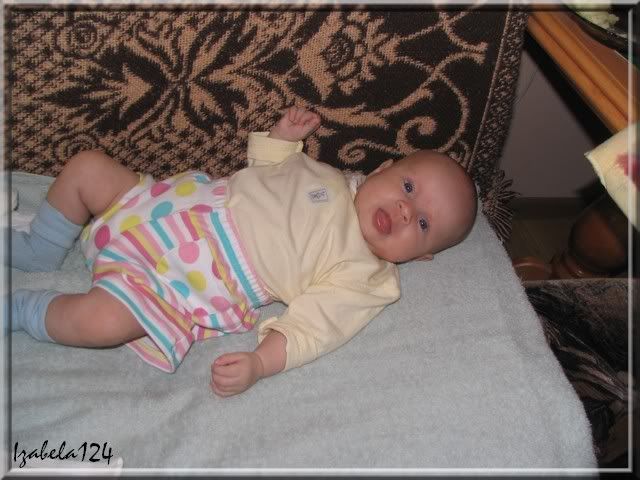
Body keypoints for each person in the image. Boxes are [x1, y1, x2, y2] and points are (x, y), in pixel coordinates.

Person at [10, 106, 477, 397]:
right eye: (408, 187)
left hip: (180, 281)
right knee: (87, 168)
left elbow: (315, 329)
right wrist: (282, 140)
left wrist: (260, 362)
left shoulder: (364, 274)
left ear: (421, 257)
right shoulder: (329, 177)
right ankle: (39, 247)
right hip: (158, 204)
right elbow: (268, 172)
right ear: (383, 169)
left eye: (422, 224)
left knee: (104, 323)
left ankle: (20, 309)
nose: (405, 209)